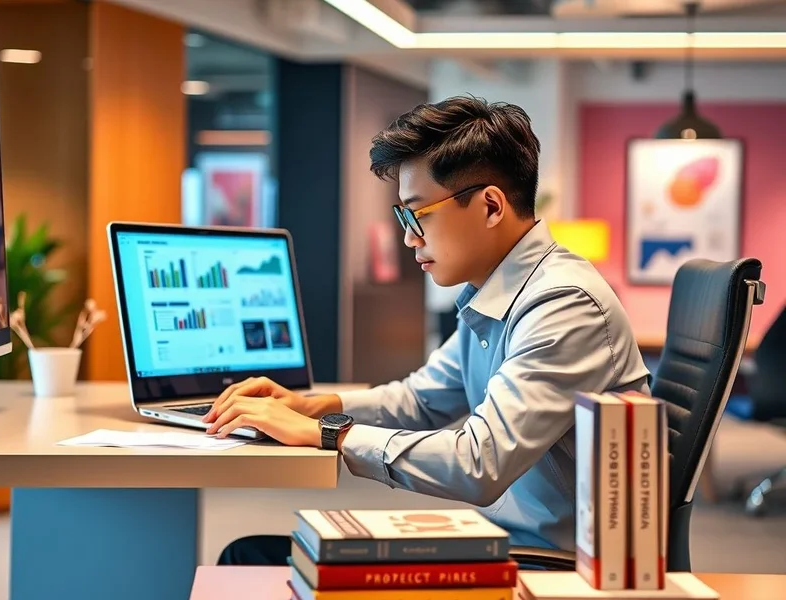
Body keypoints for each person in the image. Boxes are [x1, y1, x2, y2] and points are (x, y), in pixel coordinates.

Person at [203, 95, 651, 566]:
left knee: (250, 558)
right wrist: (313, 406)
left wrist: (328, 433)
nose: (408, 237)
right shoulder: (500, 292)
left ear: (491, 206)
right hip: (510, 543)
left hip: (553, 569)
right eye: (403, 217)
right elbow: (422, 400)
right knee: (250, 553)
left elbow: (479, 463)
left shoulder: (562, 304)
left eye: (417, 214)